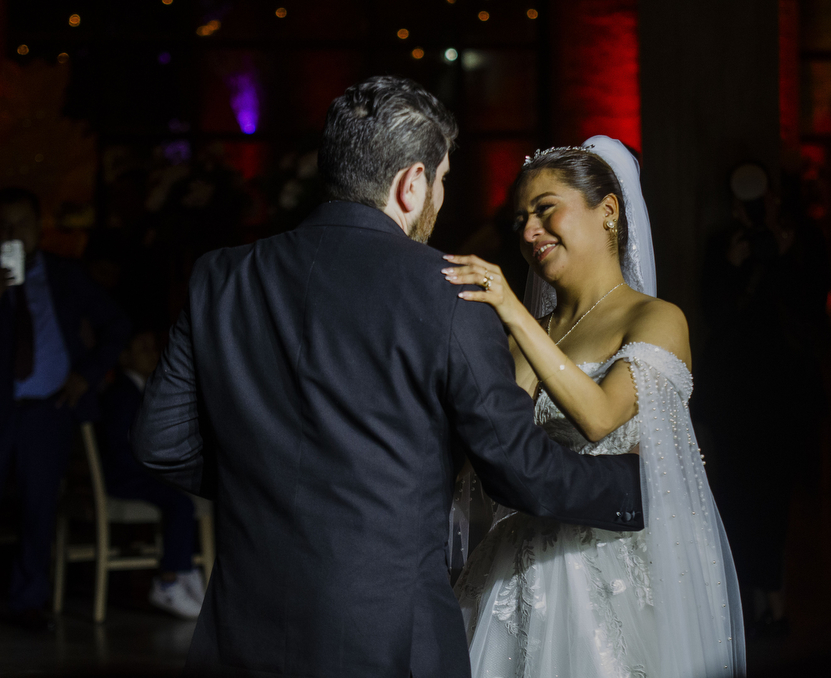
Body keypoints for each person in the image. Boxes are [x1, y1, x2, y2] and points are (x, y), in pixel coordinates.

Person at [130, 76, 644, 678]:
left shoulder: (220, 277)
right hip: (387, 634)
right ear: (411, 183)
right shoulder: (451, 292)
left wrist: (270, 483)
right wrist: (641, 485)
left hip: (240, 628)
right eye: (442, 180)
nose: (440, 199)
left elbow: (160, 443)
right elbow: (520, 472)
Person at [443, 137, 745, 677]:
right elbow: (492, 452)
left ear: (608, 210)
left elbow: (601, 417)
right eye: (520, 220)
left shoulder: (654, 318)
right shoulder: (526, 334)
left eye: (545, 209)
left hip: (614, 563)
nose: (529, 232)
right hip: (521, 563)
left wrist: (514, 313)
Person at [692, 164, 829, 634]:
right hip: (734, 396)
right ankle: (749, 601)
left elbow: (811, 311)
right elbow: (716, 314)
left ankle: (773, 597)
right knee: (735, 498)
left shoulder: (801, 241)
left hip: (781, 394)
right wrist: (736, 267)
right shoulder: (724, 246)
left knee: (774, 500)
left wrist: (784, 259)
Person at [0, 187, 130, 630]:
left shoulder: (65, 275)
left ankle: (28, 601)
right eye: (3, 226)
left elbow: (117, 324)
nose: (12, 233)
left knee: (39, 508)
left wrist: (86, 375)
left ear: (39, 227)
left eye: (20, 223)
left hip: (48, 407)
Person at [99, 328, 205, 619]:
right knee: (180, 503)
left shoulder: (147, 390)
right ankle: (168, 582)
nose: (153, 354)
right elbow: (121, 448)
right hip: (125, 477)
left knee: (191, 495)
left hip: (143, 474)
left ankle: (187, 571)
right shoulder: (121, 394)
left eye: (153, 347)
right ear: (125, 357)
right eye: (143, 348)